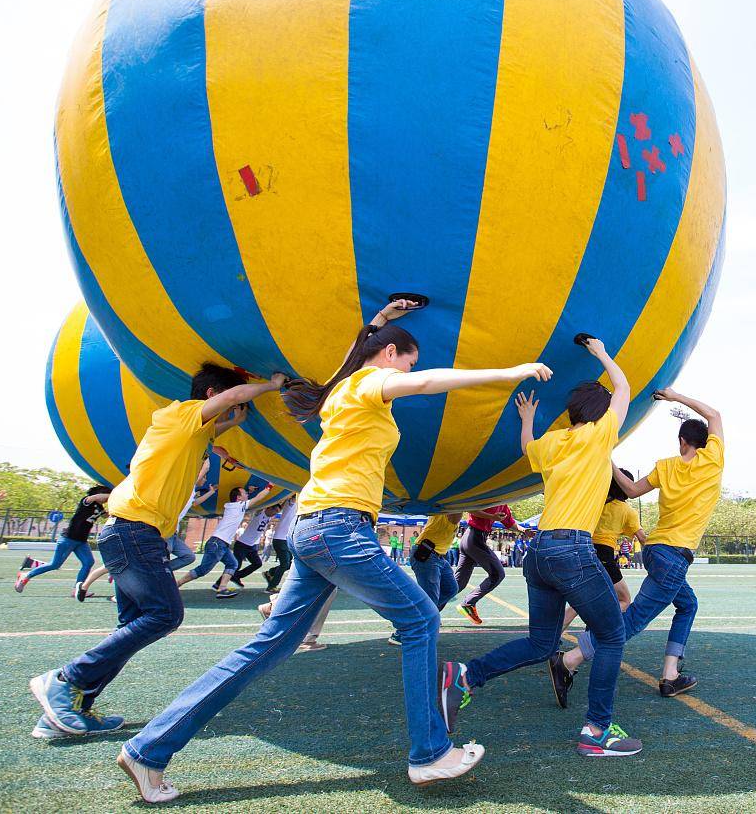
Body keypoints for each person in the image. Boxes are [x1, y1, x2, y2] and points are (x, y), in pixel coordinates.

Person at [116, 296, 551, 800]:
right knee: (421, 620)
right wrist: (510, 371)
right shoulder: (367, 384)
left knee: (268, 646)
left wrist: (378, 322)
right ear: (390, 355)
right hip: (338, 527)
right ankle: (430, 753)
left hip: (317, 528)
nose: (409, 372)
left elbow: (356, 361)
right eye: (407, 362)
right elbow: (426, 383)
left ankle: (149, 749)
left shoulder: (341, 390)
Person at [27, 363, 286, 742]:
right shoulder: (182, 413)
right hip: (136, 530)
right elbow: (233, 396)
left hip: (129, 531)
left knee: (131, 625)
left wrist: (233, 422)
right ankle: (66, 679)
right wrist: (272, 385)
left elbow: (217, 424)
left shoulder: (188, 431)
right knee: (165, 614)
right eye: (226, 404)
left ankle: (67, 710)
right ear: (212, 395)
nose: (230, 410)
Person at [440, 337, 641, 758]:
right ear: (601, 412)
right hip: (572, 549)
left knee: (541, 643)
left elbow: (527, 448)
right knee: (611, 635)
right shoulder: (600, 435)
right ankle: (597, 731)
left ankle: (466, 676)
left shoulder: (554, 442)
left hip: (539, 554)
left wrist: (528, 418)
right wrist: (601, 353)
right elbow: (624, 387)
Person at [555, 388, 724, 700]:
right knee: (633, 620)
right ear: (704, 442)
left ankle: (670, 675)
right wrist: (676, 396)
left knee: (688, 604)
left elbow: (631, 490)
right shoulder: (713, 460)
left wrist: (608, 460)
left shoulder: (666, 466)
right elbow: (713, 414)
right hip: (675, 556)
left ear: (682, 442)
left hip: (655, 551)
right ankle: (570, 660)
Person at [76, 463, 215, 602]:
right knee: (127, 563)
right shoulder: (185, 487)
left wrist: (211, 492)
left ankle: (87, 586)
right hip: (155, 530)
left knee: (185, 557)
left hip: (168, 532)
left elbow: (195, 502)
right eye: (203, 477)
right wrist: (206, 456)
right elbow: (202, 471)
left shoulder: (189, 493)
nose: (204, 479)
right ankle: (107, 591)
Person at [561, 471, 641, 631]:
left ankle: (552, 637)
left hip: (581, 550)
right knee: (624, 600)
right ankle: (594, 632)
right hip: (603, 555)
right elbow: (642, 538)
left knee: (582, 601)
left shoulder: (594, 503)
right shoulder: (627, 511)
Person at [176, 484, 276, 598]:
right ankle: (177, 584)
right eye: (245, 493)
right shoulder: (238, 506)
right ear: (238, 498)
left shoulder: (234, 506)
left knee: (233, 564)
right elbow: (258, 498)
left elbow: (244, 499)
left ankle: (221, 588)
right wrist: (269, 486)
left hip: (221, 543)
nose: (247, 495)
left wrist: (248, 491)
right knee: (203, 570)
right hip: (217, 543)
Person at [15, 485, 112, 595]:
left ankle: (77, 589)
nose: (106, 500)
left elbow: (106, 515)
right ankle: (26, 575)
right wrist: (114, 494)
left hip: (81, 540)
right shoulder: (87, 500)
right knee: (55, 564)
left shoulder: (99, 507)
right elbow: (96, 497)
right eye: (105, 497)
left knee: (88, 562)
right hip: (69, 538)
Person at [389, 513, 462, 647]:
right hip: (427, 553)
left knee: (451, 589)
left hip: (439, 556)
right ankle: (403, 633)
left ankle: (427, 616)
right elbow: (463, 512)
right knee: (430, 598)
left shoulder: (453, 507)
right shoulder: (450, 509)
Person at [454, 503, 521, 625]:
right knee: (498, 574)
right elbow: (471, 508)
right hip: (474, 538)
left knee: (457, 584)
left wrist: (524, 530)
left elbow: (509, 522)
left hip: (472, 538)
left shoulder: (503, 504)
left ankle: (429, 612)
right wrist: (492, 517)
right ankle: (468, 603)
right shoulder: (489, 496)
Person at [231, 504, 275, 587]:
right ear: (268, 508)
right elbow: (262, 505)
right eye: (274, 510)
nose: (275, 513)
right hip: (242, 544)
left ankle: (237, 576)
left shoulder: (269, 518)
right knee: (235, 565)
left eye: (277, 512)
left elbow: (280, 506)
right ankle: (219, 584)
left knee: (257, 563)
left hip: (251, 546)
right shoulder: (259, 514)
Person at [262, 496, 297, 593]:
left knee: (288, 564)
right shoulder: (291, 503)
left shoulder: (297, 506)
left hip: (285, 540)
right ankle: (271, 587)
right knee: (284, 564)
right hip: (280, 539)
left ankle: (270, 573)